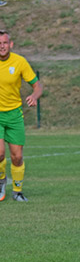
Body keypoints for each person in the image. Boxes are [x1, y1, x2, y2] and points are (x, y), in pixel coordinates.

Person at [0, 30, 43, 203]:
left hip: (15, 115)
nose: (1, 46)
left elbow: (37, 85)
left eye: (4, 43)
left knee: (17, 157)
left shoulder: (19, 62)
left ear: (11, 44)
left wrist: (34, 96)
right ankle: (1, 179)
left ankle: (17, 191)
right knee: (0, 153)